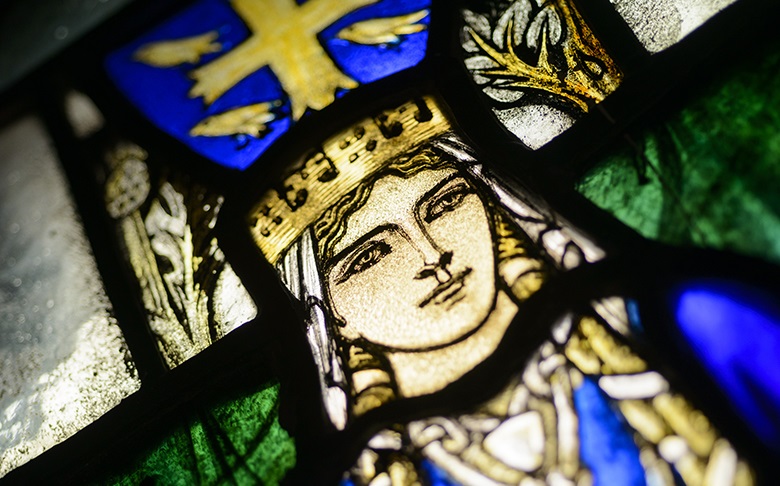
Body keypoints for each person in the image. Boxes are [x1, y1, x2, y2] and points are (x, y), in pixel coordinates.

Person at [249, 97, 751, 484]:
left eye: (444, 204)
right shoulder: (359, 467)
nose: (432, 256)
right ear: (328, 313)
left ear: (494, 207)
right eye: (372, 255)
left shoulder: (697, 326)